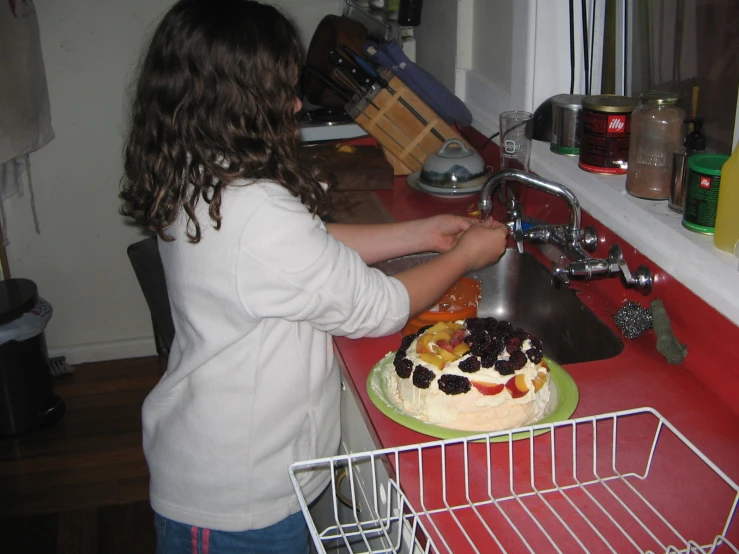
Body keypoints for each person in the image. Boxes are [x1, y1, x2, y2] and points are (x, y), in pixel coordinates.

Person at [119, 0, 509, 552]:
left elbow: (309, 246)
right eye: (281, 89)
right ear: (237, 102)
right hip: (239, 502)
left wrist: (421, 236)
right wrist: (465, 257)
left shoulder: (203, 173)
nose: (296, 102)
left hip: (220, 461)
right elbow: (380, 308)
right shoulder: (256, 210)